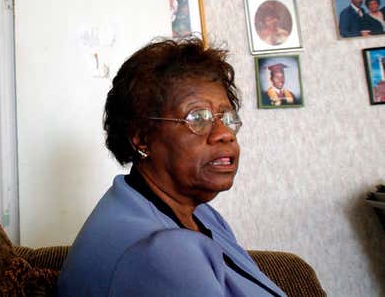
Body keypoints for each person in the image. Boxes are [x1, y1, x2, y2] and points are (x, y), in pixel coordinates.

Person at [58, 38, 285, 296]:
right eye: (197, 117)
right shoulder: (160, 253)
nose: (224, 134)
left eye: (227, 118)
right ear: (142, 138)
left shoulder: (201, 214)